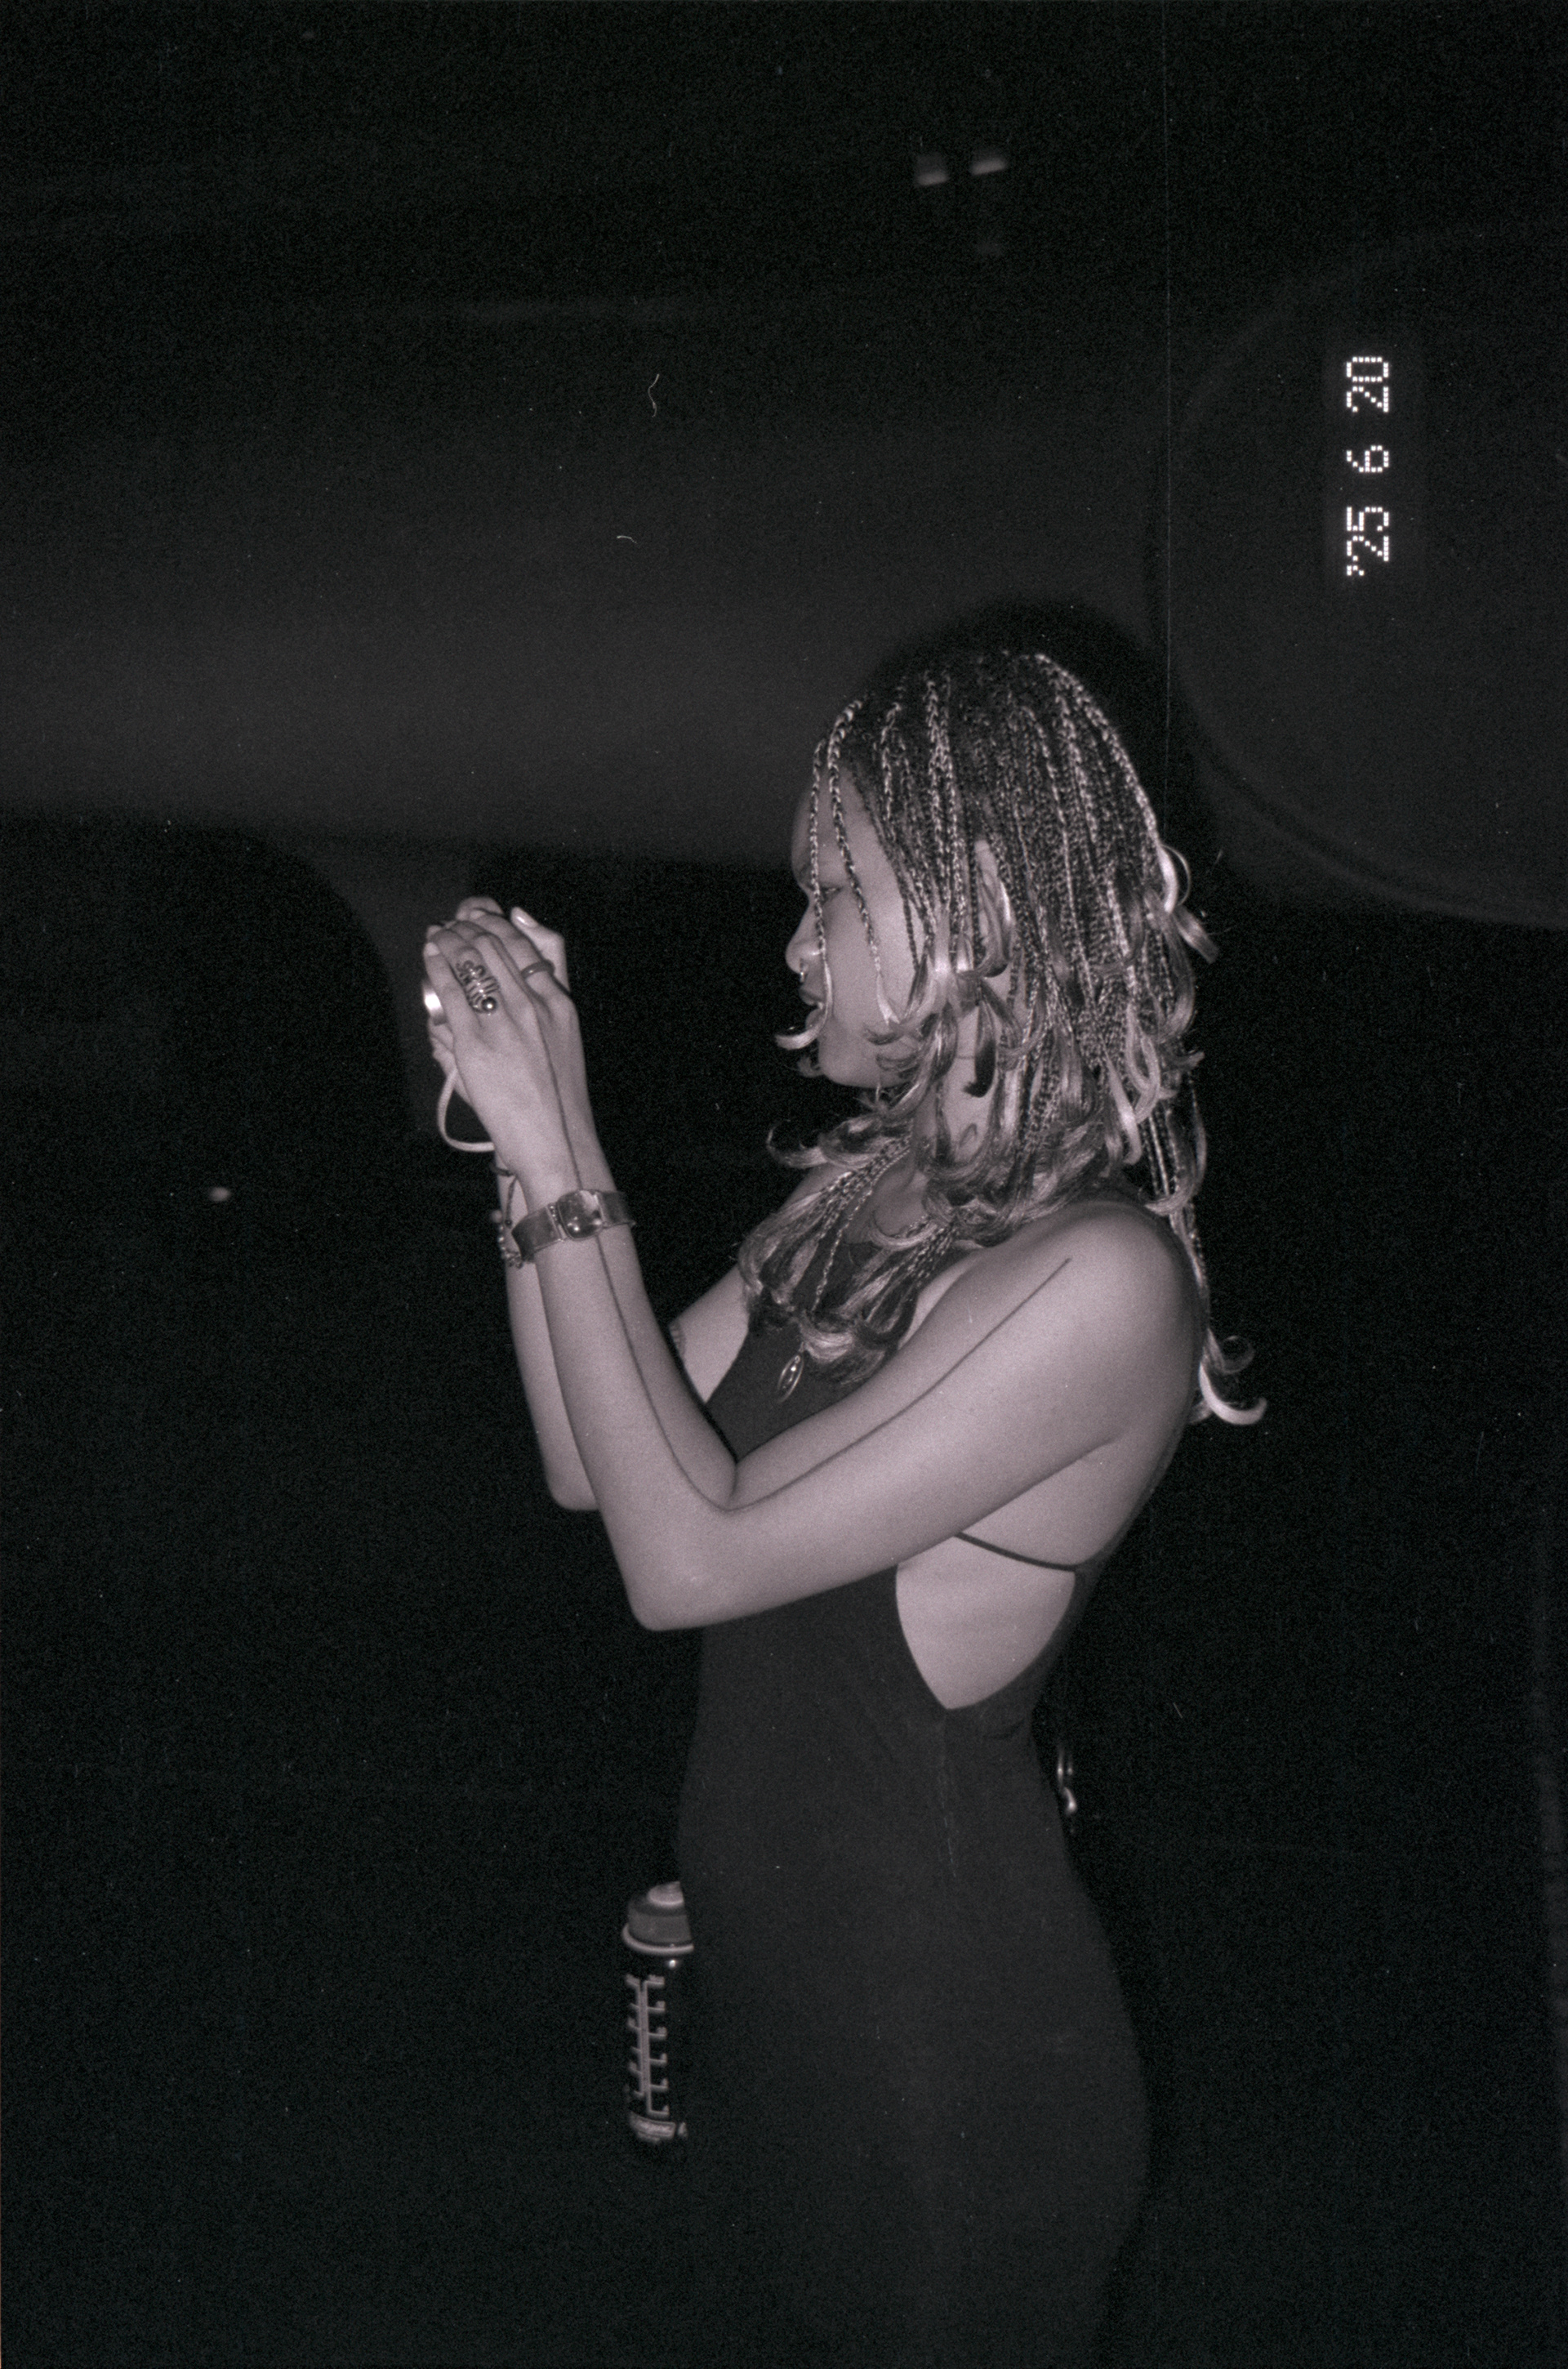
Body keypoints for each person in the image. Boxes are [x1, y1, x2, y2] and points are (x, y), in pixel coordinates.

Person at [422, 645, 1259, 2369]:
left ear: (979, 910)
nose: (801, 946)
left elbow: (689, 1558)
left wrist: (570, 1151)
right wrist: (519, 1153)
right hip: (788, 2025)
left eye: (839, 894)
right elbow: (594, 1457)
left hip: (947, 2072)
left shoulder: (1100, 1281)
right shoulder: (870, 1200)